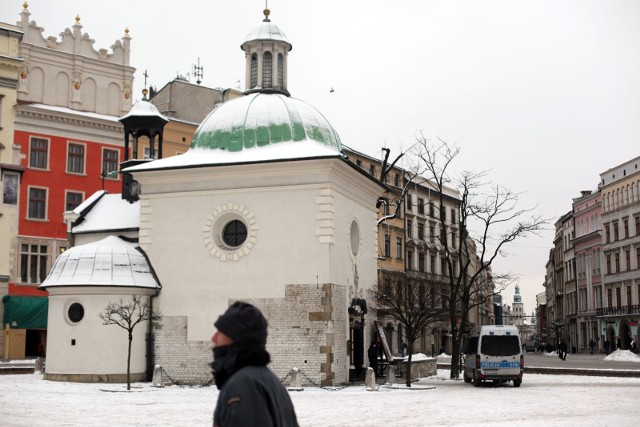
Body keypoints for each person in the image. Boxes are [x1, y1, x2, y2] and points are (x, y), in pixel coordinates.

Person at [211, 301, 298, 427]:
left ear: (236, 338)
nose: (214, 338)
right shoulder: (271, 381)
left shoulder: (242, 384)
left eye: (220, 331)